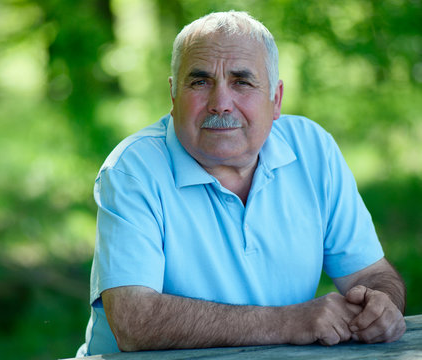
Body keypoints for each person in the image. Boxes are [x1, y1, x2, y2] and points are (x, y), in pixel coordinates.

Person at [76, 10, 406, 357]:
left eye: (242, 82)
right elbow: (134, 321)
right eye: (200, 81)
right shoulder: (133, 169)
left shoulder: (313, 149)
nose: (221, 103)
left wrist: (381, 304)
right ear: (173, 95)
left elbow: (370, 274)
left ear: (275, 99)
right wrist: (290, 322)